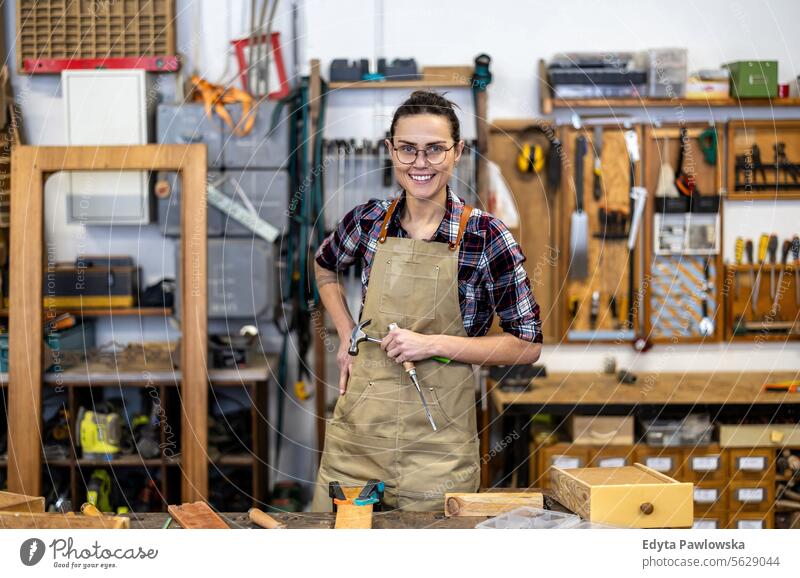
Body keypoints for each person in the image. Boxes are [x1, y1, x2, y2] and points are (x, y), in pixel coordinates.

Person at [310, 90, 542, 512]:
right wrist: (347, 334)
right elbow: (324, 266)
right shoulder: (366, 221)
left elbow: (527, 345)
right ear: (391, 151)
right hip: (359, 441)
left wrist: (432, 344)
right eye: (408, 149)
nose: (420, 163)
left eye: (435, 149)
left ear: (457, 153)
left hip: (438, 450)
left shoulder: (488, 237)